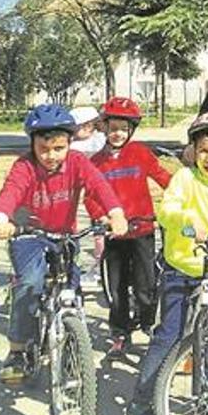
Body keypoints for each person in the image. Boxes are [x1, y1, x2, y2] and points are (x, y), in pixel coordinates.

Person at [124, 112, 208, 415]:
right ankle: (140, 404)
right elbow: (166, 211)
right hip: (180, 269)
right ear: (193, 151)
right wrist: (187, 222)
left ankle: (206, 397)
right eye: (204, 150)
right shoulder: (185, 179)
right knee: (168, 337)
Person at [0, 104, 128, 383]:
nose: (51, 155)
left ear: (69, 143)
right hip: (27, 236)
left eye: (58, 148)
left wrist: (116, 213)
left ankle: (71, 345)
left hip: (64, 236)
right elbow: (10, 192)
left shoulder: (77, 162)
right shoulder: (25, 166)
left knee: (72, 289)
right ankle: (17, 350)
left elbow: (99, 185)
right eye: (44, 148)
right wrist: (0, 218)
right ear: (32, 144)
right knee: (30, 283)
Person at [86, 97, 172, 357]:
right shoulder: (95, 163)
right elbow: (90, 197)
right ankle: (120, 332)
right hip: (114, 235)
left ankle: (147, 322)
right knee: (116, 288)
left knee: (146, 287)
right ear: (105, 128)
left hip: (142, 231)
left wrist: (185, 194)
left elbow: (163, 178)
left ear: (131, 130)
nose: (117, 133)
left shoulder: (140, 153)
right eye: (113, 128)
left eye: (123, 128)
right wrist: (102, 217)